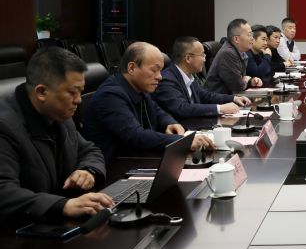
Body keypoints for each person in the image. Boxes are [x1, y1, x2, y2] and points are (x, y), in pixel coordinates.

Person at [0, 47, 113, 225]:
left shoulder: (58, 114)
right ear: (41, 92)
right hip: (19, 231)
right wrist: (63, 205)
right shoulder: (5, 126)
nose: (79, 100)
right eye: (72, 92)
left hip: (54, 224)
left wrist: (88, 171)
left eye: (81, 91)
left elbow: (90, 150)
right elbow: (4, 192)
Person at [82, 42, 213, 163]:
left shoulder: (138, 88)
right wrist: (183, 141)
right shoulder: (110, 96)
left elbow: (158, 112)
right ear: (132, 68)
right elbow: (137, 135)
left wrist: (171, 123)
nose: (160, 76)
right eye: (154, 70)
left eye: (160, 70)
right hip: (115, 167)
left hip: (137, 157)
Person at [154, 36, 251, 121]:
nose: (204, 59)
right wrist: (220, 108)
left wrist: (233, 98)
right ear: (188, 58)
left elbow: (206, 96)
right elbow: (182, 108)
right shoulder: (167, 80)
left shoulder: (189, 76)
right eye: (202, 55)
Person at [204, 18, 263, 94]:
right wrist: (246, 80)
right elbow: (238, 86)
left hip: (232, 96)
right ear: (236, 39)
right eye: (249, 35)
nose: (252, 38)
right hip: (219, 99)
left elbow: (241, 80)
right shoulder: (228, 53)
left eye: (252, 35)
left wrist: (251, 81)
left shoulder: (241, 52)